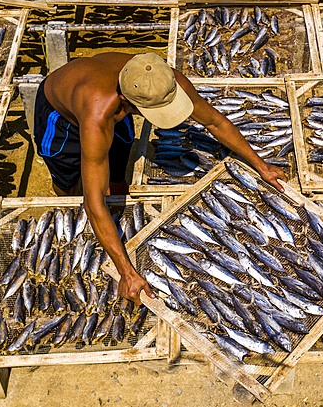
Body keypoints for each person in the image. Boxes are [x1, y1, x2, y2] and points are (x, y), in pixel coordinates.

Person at [33, 52, 287, 303]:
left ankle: (118, 202)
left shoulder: (163, 80)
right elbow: (93, 202)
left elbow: (215, 122)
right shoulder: (98, 112)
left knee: (118, 163)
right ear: (126, 102)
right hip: (61, 119)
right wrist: (127, 272)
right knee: (67, 177)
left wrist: (261, 165)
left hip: (110, 102)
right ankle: (63, 204)